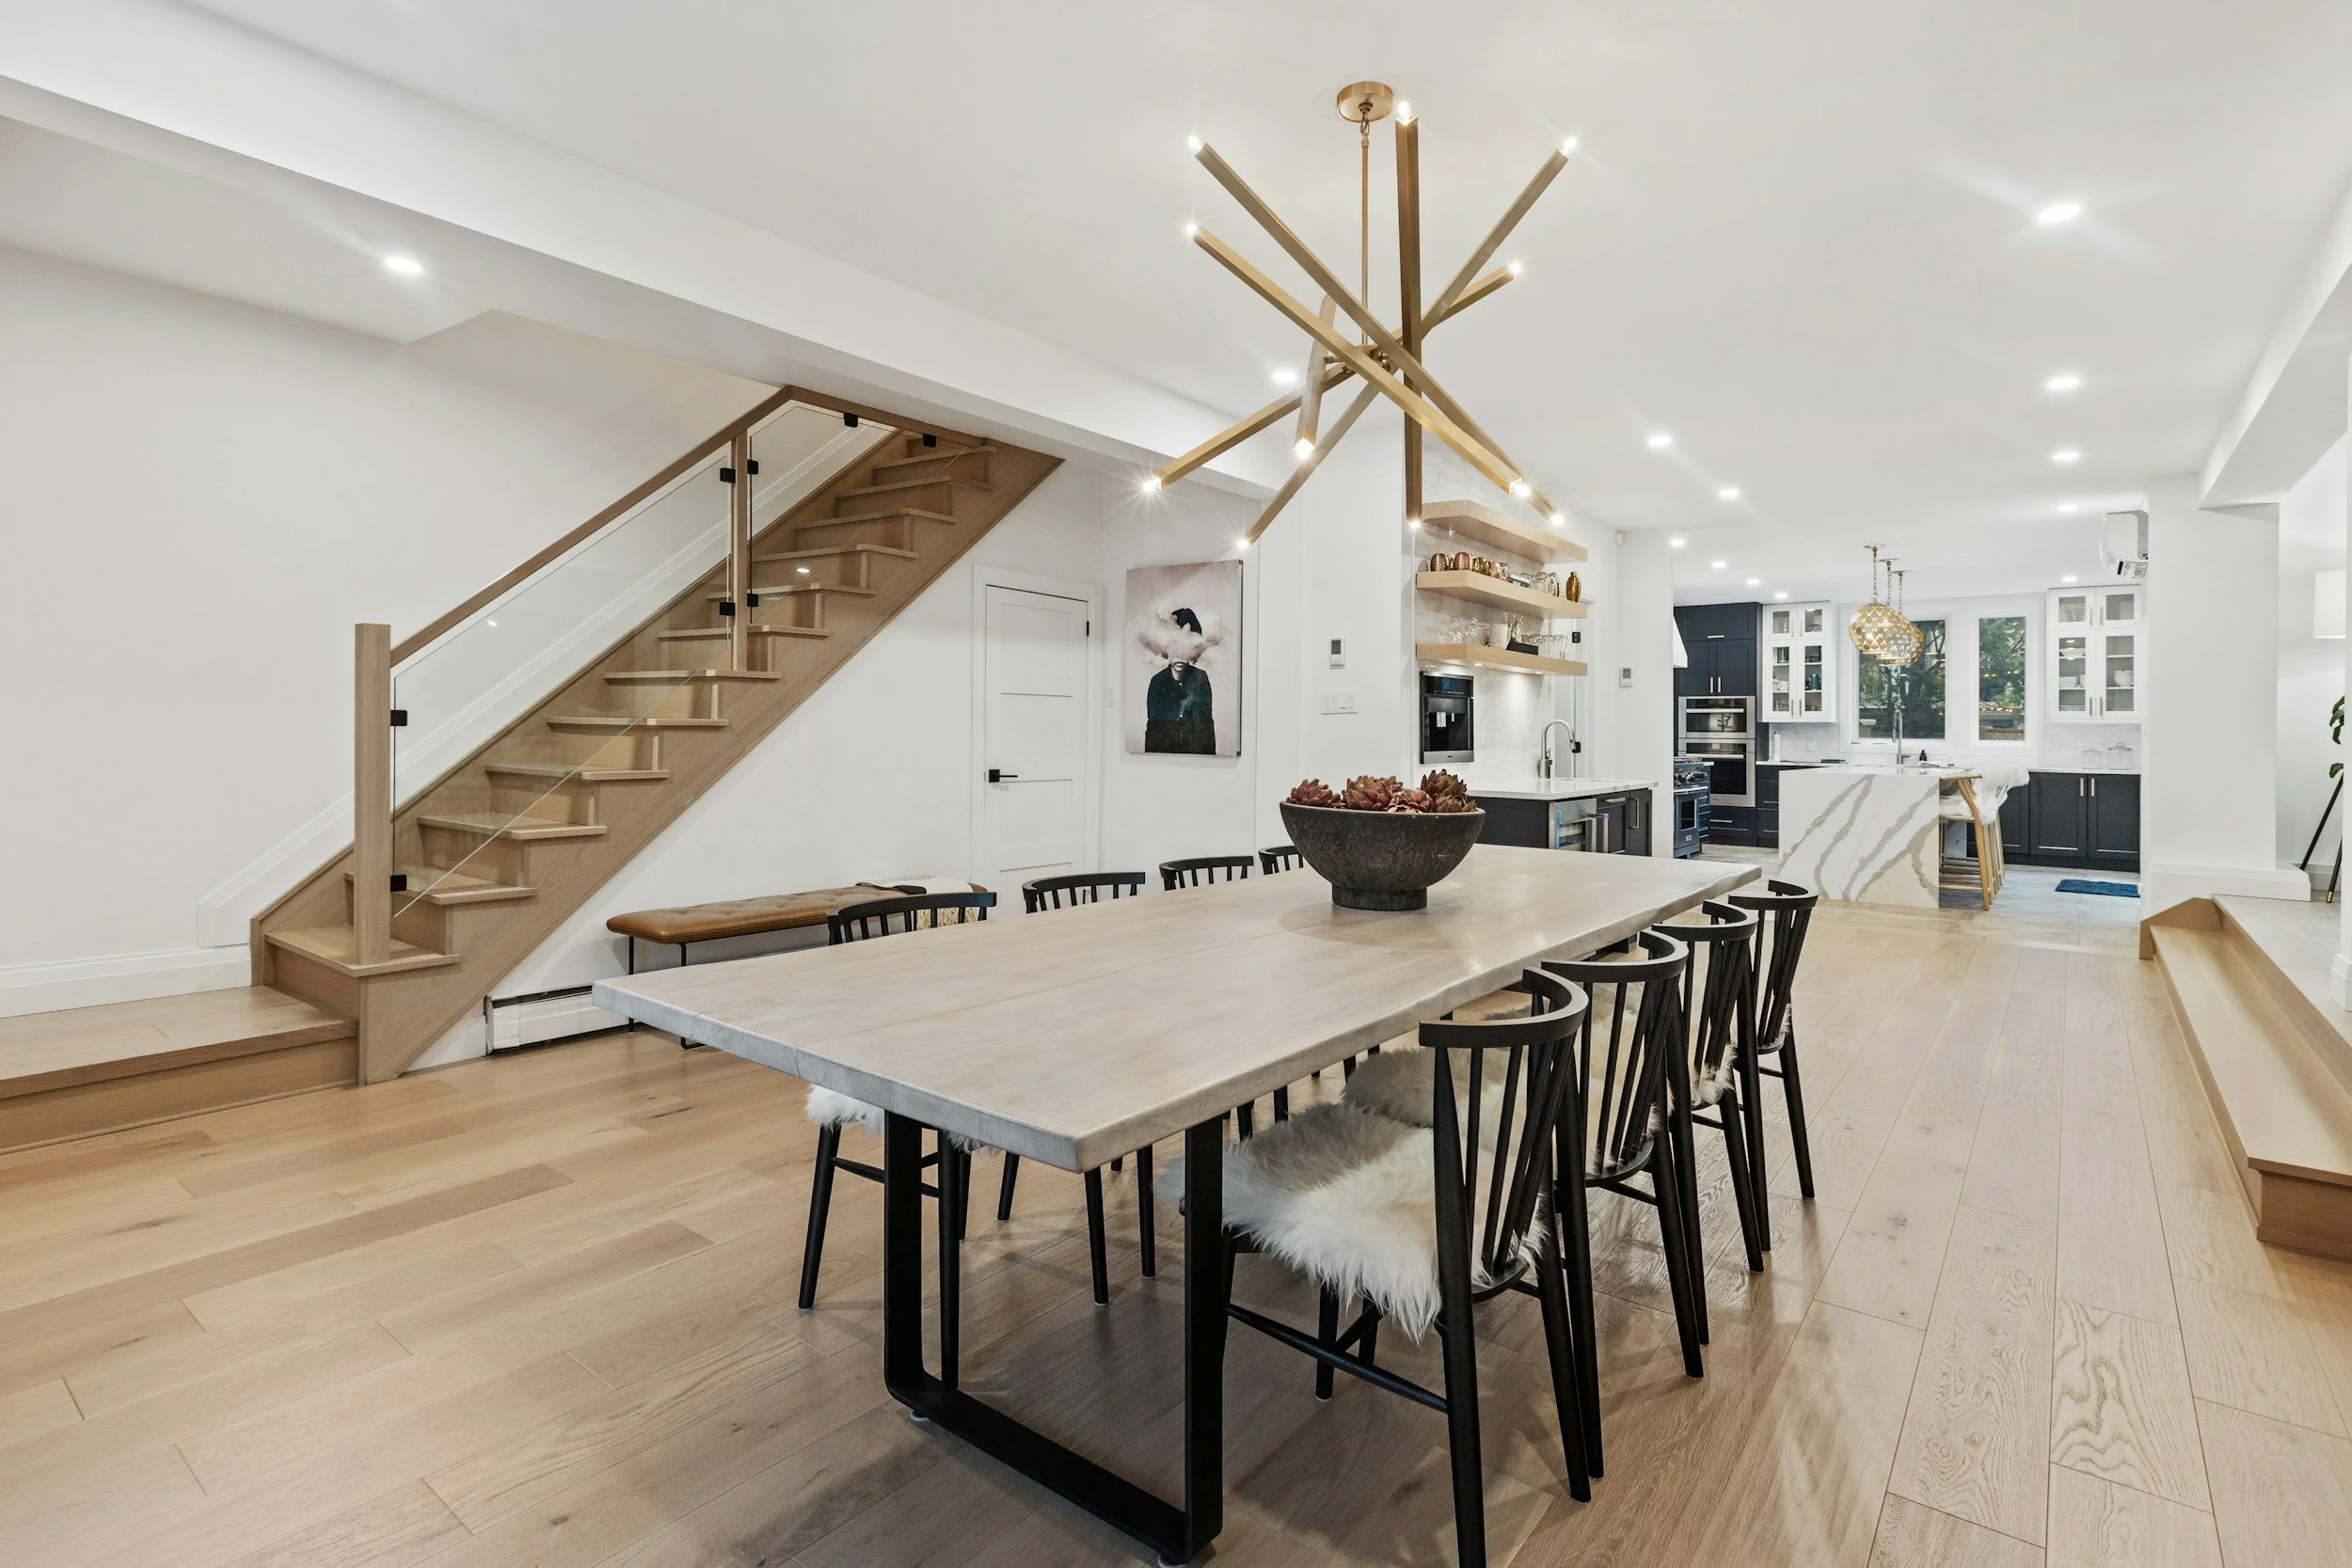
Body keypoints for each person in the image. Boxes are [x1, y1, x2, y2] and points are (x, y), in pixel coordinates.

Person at [1144, 607, 1216, 753]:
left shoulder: (1201, 679)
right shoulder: (1157, 683)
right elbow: (1153, 734)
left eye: (1186, 648)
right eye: (1175, 646)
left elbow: (1206, 731)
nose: (1180, 655)